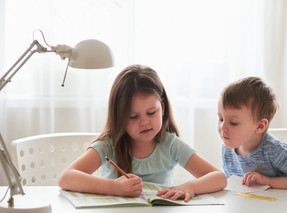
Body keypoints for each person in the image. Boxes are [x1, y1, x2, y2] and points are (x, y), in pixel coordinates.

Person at [58, 64, 227, 202]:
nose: (144, 122)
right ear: (119, 118)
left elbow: (219, 178)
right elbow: (66, 178)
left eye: (151, 112)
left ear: (162, 107)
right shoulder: (108, 145)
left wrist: (190, 186)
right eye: (133, 116)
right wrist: (114, 188)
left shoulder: (171, 145)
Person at [217, 77, 287, 190]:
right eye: (220, 119)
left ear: (260, 126)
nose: (222, 127)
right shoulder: (227, 149)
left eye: (233, 123)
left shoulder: (274, 150)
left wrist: (269, 181)